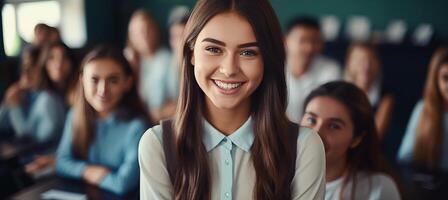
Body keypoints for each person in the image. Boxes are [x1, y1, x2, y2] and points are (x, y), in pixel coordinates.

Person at [138, 0, 326, 199]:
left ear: (268, 59)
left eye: (248, 52)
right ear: (191, 52)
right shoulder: (157, 146)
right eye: (214, 49)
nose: (229, 69)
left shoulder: (304, 147)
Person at [56, 46, 149, 195]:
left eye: (113, 80)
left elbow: (122, 183)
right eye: (94, 79)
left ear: (127, 83)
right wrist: (89, 171)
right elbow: (61, 162)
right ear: (82, 81)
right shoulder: (75, 116)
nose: (102, 90)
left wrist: (78, 170)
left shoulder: (137, 127)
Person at [301, 81, 401, 200]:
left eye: (334, 126)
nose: (316, 134)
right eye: (311, 120)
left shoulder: (377, 189)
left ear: (356, 139)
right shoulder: (280, 177)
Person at [0, 45, 66, 144]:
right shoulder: (26, 94)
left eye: (32, 66)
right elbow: (2, 126)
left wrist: (15, 106)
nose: (26, 72)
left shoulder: (48, 98)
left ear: (43, 68)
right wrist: (7, 100)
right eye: (24, 66)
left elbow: (25, 136)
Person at [398, 47, 448, 171]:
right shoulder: (423, 109)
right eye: (446, 78)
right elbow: (405, 158)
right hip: (432, 184)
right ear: (435, 80)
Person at [285, 16, 341, 123]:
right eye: (302, 41)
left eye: (315, 41)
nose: (309, 47)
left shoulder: (331, 69)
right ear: (286, 41)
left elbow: (329, 109)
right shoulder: (272, 68)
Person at [125, 9, 175, 122]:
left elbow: (177, 103)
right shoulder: (128, 60)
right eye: (137, 32)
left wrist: (156, 113)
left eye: (148, 29)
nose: (144, 36)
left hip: (158, 121)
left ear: (156, 31)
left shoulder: (167, 59)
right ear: (131, 37)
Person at [344, 42, 394, 139]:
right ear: (349, 63)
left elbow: (376, 136)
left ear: (378, 64)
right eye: (360, 60)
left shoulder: (386, 97)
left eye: (371, 60)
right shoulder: (338, 93)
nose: (366, 66)